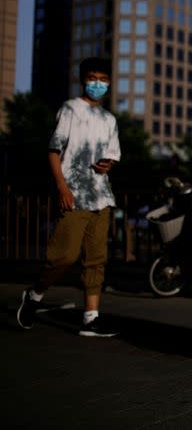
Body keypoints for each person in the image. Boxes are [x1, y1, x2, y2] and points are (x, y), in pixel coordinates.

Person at [16, 57, 122, 337]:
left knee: (96, 259)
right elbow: (54, 150)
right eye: (92, 78)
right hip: (74, 194)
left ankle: (91, 319)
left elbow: (112, 156)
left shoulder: (110, 119)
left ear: (109, 83)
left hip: (101, 194)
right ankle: (35, 295)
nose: (97, 84)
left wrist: (106, 165)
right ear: (83, 80)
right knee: (63, 255)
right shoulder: (70, 109)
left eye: (103, 79)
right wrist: (63, 188)